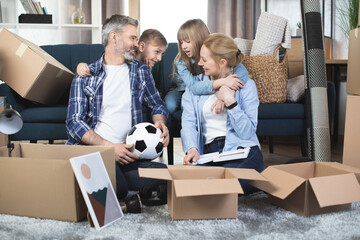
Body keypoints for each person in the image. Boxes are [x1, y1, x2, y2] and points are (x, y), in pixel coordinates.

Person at [66, 14, 169, 200]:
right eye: (133, 38)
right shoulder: (86, 76)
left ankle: (98, 180)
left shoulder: (140, 71)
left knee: (165, 174)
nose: (137, 45)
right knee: (120, 188)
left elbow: (157, 104)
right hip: (98, 152)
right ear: (114, 37)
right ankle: (117, 183)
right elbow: (74, 123)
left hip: (130, 154)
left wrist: (160, 122)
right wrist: (109, 147)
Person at [181, 33, 264, 194]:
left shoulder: (246, 86)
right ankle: (220, 187)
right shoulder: (195, 86)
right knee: (192, 182)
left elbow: (247, 132)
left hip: (241, 149)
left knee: (235, 180)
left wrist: (229, 100)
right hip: (210, 153)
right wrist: (192, 149)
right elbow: (188, 122)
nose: (199, 63)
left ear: (222, 62)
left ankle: (221, 187)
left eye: (204, 60)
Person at [165, 19, 245, 117]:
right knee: (171, 105)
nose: (183, 46)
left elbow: (242, 71)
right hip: (183, 89)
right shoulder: (181, 61)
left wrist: (227, 88)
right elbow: (194, 87)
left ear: (200, 39)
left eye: (188, 41)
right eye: (181, 42)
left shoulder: (214, 51)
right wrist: (223, 82)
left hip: (209, 86)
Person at [76, 28, 168, 77]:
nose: (159, 58)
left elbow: (151, 96)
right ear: (142, 46)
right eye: (156, 52)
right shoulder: (125, 56)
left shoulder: (156, 65)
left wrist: (147, 74)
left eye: (162, 54)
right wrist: (80, 66)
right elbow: (100, 67)